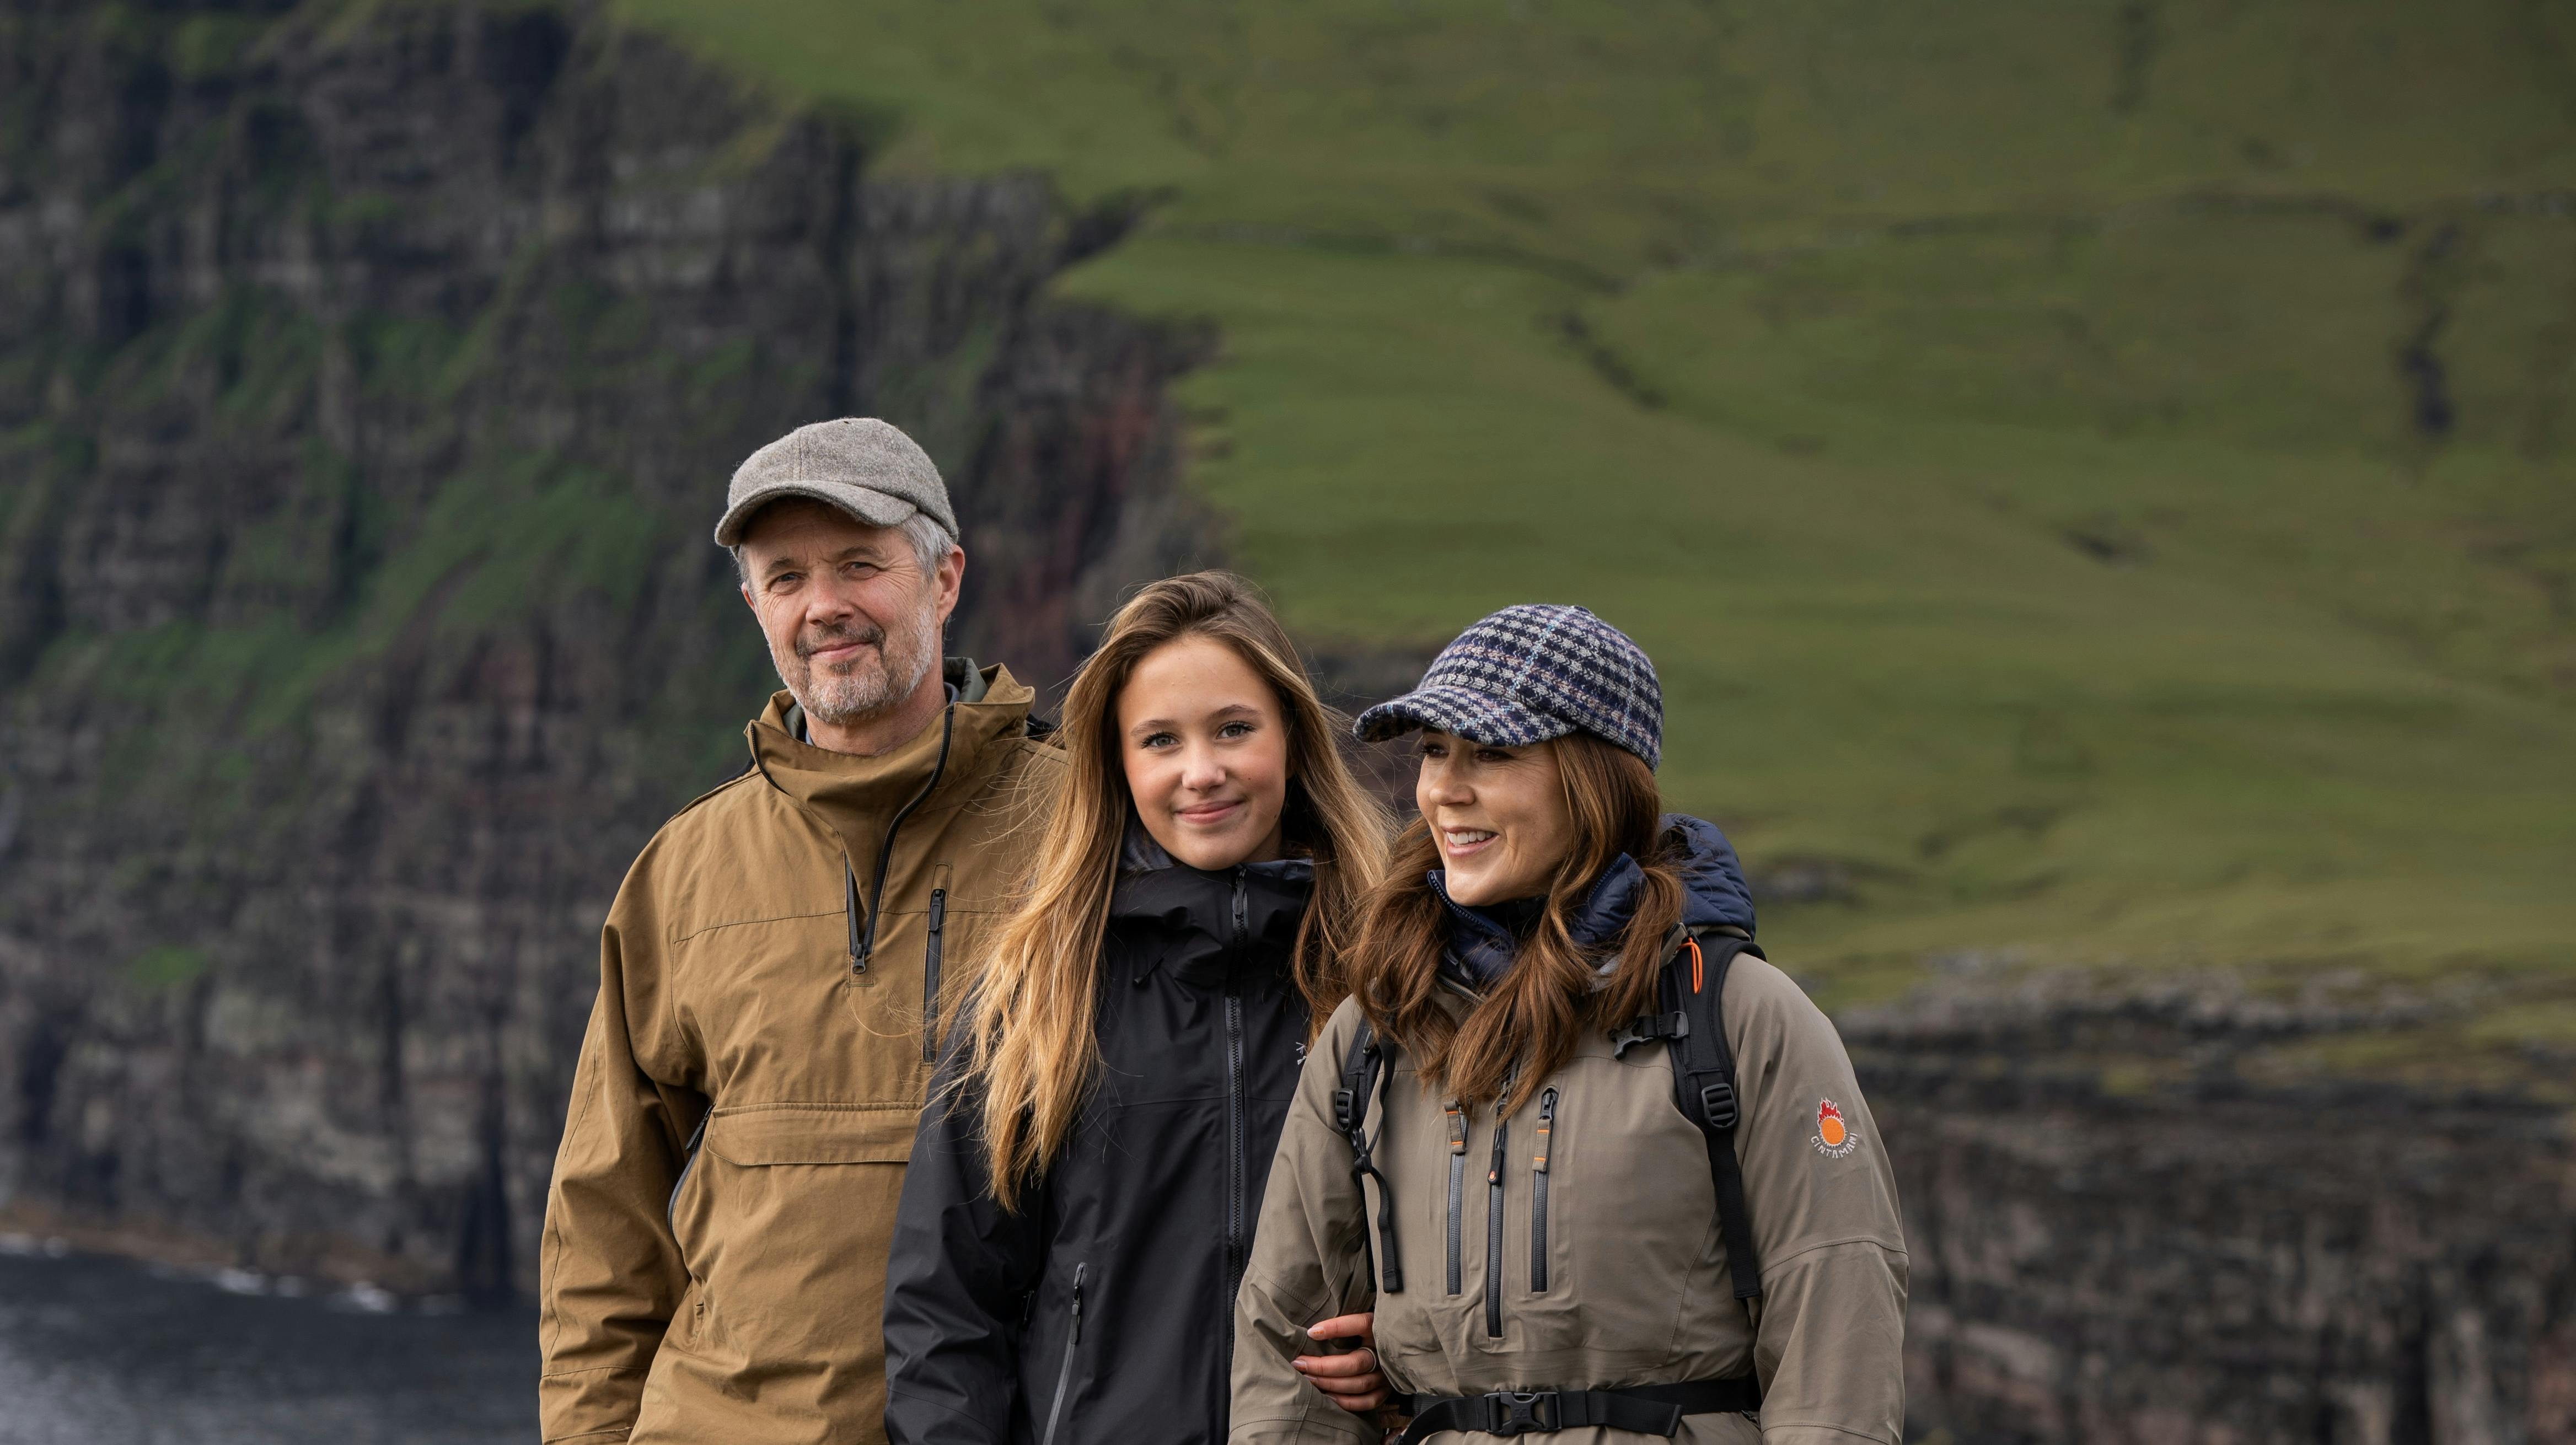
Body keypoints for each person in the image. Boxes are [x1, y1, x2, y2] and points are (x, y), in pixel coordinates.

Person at [1231, 605, 1909, 1445]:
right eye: (1435, 751)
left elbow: (1836, 1333)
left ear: (1596, 781)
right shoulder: (1376, 1028)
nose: (1443, 789)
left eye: (1493, 754)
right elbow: (1287, 1352)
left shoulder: (1740, 1015)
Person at [539, 418, 1065, 1445]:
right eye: (785, 578)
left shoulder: (1083, 828)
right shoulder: (684, 869)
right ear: (755, 606)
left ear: (944, 578)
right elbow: (604, 1221)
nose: (823, 605)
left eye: (859, 564)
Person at [883, 573, 1397, 1445]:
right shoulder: (1039, 994)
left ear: (1291, 736)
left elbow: (1477, 1266)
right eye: (1161, 739)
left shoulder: (1389, 979)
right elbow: (945, 1310)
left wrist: (1407, 1351)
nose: (1202, 772)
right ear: (1117, 765)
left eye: (1234, 728)